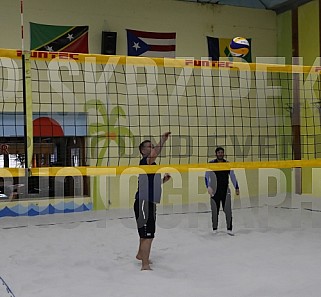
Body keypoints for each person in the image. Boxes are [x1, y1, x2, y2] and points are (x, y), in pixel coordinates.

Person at [134, 132, 171, 270]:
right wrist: (162, 140)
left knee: (146, 233)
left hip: (149, 201)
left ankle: (140, 254)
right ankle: (144, 265)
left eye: (152, 146)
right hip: (143, 202)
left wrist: (163, 181)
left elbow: (150, 184)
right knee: (148, 235)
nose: (152, 148)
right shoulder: (145, 161)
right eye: (150, 146)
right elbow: (154, 154)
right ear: (143, 151)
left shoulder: (153, 165)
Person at [205, 146, 239, 235]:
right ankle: (215, 229)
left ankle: (229, 229)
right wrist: (208, 186)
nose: (220, 154)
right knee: (214, 211)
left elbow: (232, 176)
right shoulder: (211, 163)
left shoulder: (227, 164)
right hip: (214, 190)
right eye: (219, 152)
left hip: (225, 190)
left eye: (222, 152)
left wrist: (236, 187)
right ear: (216, 154)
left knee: (228, 210)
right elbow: (206, 176)